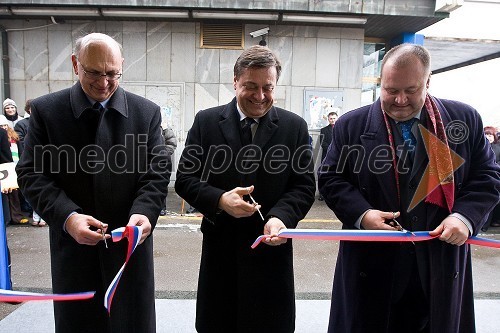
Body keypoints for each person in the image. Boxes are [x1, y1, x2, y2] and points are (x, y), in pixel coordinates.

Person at [318, 43, 500, 333]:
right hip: (373, 267)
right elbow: (330, 179)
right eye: (390, 90)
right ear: (381, 82)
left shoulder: (463, 120)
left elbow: (487, 177)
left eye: (410, 90)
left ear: (428, 82)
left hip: (439, 267)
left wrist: (464, 217)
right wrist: (363, 215)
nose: (399, 100)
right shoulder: (350, 125)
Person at [16, 33, 171, 333]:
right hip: (74, 253)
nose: (104, 82)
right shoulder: (47, 112)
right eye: (94, 73)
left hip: (129, 253)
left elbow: (157, 172)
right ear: (75, 64)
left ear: (122, 66)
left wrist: (145, 212)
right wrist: (68, 217)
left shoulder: (146, 113)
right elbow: (31, 174)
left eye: (113, 73)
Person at [175, 45, 316, 332]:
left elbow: (303, 186)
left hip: (271, 253)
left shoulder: (294, 127)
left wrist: (281, 217)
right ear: (235, 81)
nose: (260, 96)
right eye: (251, 86)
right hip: (221, 253)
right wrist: (220, 200)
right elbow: (185, 179)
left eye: (268, 87)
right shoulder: (206, 121)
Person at [0, 115, 28, 225]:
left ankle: (14, 216)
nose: (4, 127)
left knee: (13, 194)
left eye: (5, 125)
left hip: (8, 167)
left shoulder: (11, 135)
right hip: (7, 166)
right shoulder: (2, 134)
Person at [14, 99, 38, 223]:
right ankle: (34, 215)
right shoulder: (22, 124)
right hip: (27, 159)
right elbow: (20, 141)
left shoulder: (43, 121)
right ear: (28, 109)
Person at [482, 126, 500, 230]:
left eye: (490, 135)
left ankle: (488, 224)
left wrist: (494, 166)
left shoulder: (498, 148)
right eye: (486, 134)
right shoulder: (480, 147)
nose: (488, 137)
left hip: (496, 177)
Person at [318, 111, 338, 201]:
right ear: (328, 119)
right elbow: (323, 143)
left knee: (337, 175)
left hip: (339, 157)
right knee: (324, 175)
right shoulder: (323, 130)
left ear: (337, 119)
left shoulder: (341, 128)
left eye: (334, 118)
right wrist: (332, 150)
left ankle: (336, 194)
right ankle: (322, 194)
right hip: (326, 156)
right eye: (331, 118)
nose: (332, 120)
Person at [159, 124, 177, 216]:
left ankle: (162, 208)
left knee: (161, 184)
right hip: (145, 162)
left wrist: (163, 155)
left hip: (160, 162)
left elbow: (172, 143)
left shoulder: (165, 126)